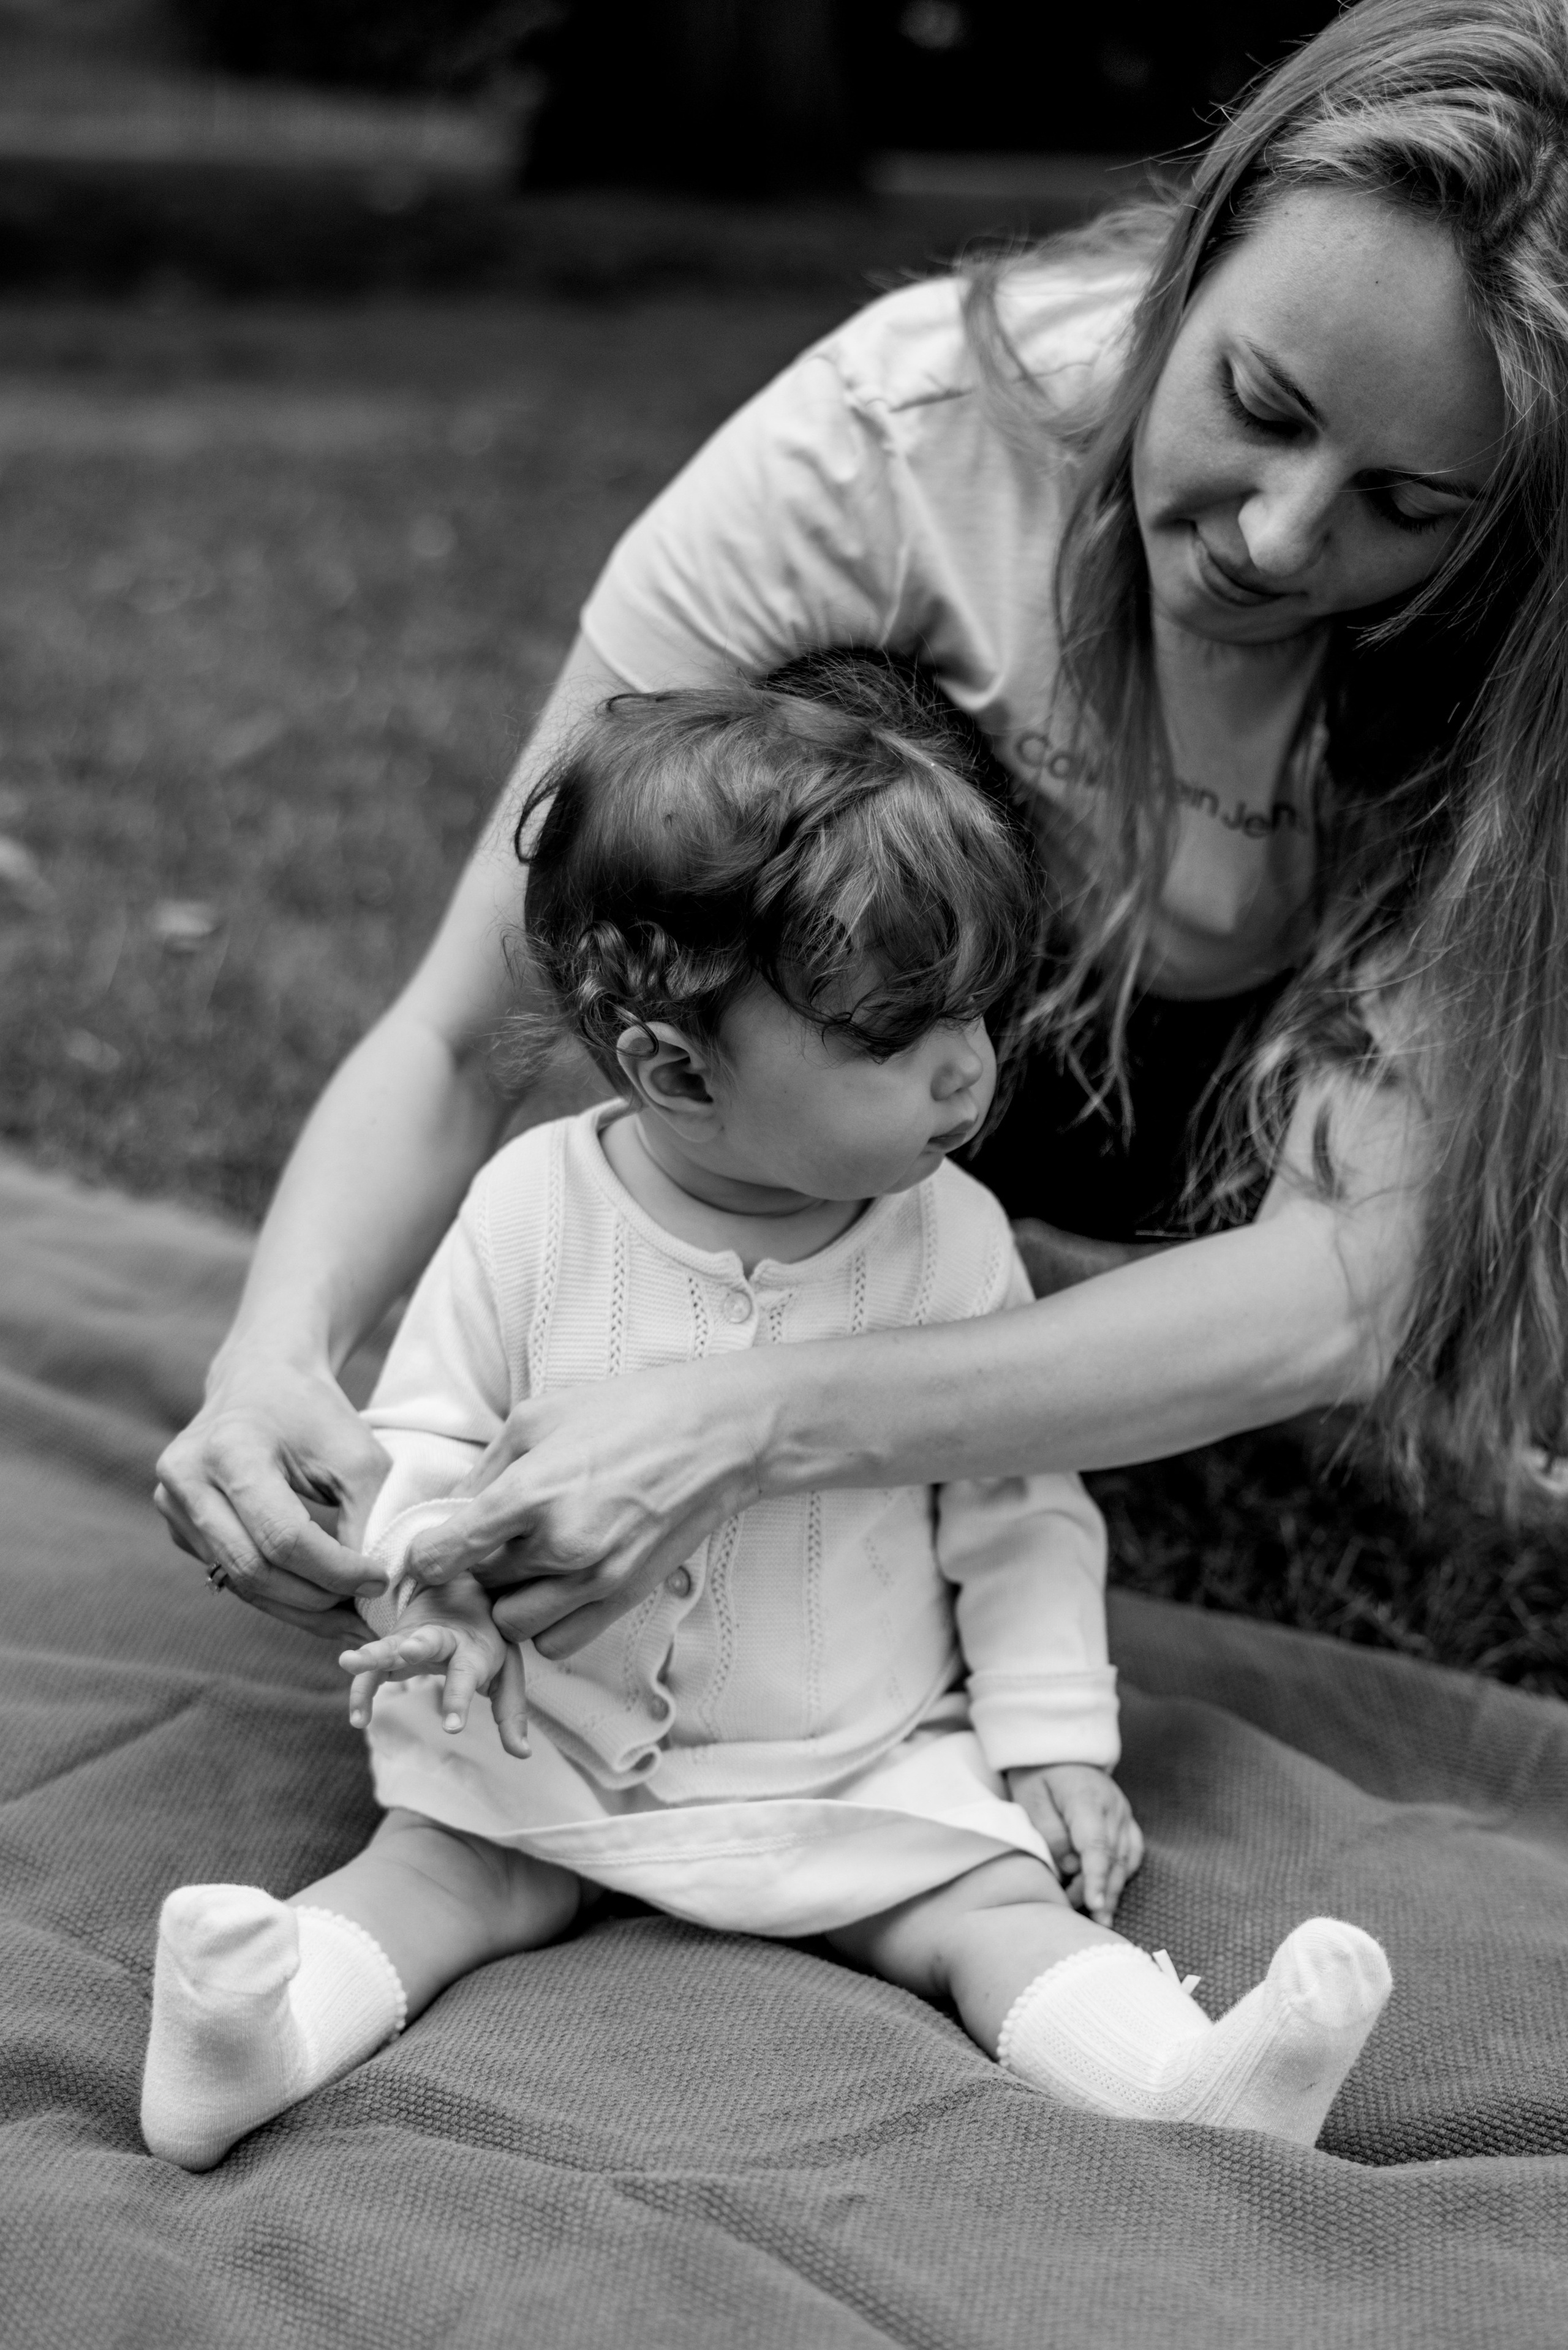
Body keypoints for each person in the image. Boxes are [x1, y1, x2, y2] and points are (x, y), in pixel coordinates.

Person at [156, 0, 1568, 1663]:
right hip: (968, 1034)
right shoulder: (891, 445)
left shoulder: (1528, 636)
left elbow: (1351, 1280)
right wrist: (277, 1349)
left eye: (1407, 506)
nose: (1277, 532)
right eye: (1258, 403)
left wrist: (746, 1416)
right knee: (811, 723)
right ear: (1187, 266)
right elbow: (477, 1021)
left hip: (1242, 1114)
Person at [140, 679, 1390, 2171]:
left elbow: (1017, 1504)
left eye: (978, 1009)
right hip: (552, 1743)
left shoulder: (949, 1237)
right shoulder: (533, 1209)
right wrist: (430, 1567)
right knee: (429, 1864)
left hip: (855, 1755)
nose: (969, 1067)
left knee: (991, 1904)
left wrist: (1051, 1734)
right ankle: (250, 2038)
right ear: (672, 1065)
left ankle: (1184, 2079)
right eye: (897, 1033)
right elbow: (421, 1433)